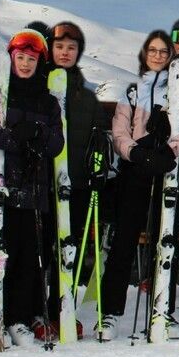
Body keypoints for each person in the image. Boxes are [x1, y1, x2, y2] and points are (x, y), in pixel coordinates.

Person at [95, 31, 179, 340]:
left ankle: (162, 310)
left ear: (170, 56)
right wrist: (137, 152)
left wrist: (172, 148)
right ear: (145, 54)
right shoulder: (133, 90)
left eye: (163, 51)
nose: (157, 56)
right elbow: (119, 132)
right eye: (152, 51)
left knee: (163, 239)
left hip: (167, 169)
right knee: (124, 240)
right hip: (136, 170)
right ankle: (110, 313)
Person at [0, 30, 65, 345]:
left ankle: (19, 318)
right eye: (19, 58)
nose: (24, 64)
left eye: (31, 59)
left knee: (27, 254)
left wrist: (36, 132)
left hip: (33, 188)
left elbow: (56, 142)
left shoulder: (47, 102)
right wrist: (10, 138)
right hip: (1, 184)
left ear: (40, 63)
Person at [45, 22, 111, 324]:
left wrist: (98, 163)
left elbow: (99, 141)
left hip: (77, 185)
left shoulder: (88, 98)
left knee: (68, 250)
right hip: (42, 184)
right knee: (43, 249)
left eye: (71, 48)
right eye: (59, 47)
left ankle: (62, 307)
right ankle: (35, 310)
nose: (65, 53)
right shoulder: (38, 86)